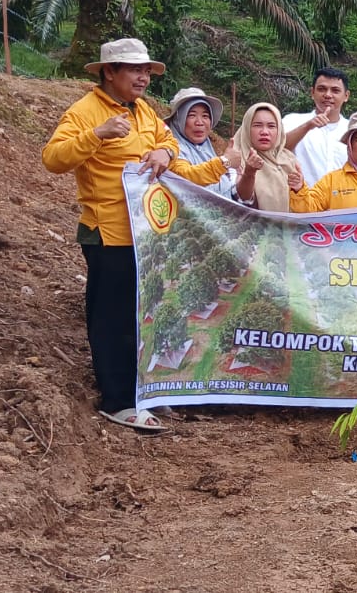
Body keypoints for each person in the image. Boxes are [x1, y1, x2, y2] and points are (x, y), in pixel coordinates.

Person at [42, 38, 238, 432]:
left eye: (147, 70)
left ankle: (142, 391)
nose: (144, 77)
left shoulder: (144, 111)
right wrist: (97, 134)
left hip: (147, 234)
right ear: (108, 72)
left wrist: (166, 153)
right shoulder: (85, 112)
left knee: (141, 315)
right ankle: (116, 400)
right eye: (135, 69)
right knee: (112, 318)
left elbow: (165, 141)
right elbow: (53, 159)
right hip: (109, 232)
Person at [282, 67, 351, 184]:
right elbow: (276, 149)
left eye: (335, 90)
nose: (328, 95)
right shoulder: (292, 121)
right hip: (300, 198)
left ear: (346, 96)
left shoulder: (353, 129)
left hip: (344, 200)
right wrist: (308, 126)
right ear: (312, 93)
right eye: (322, 89)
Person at [166, 87, 237, 198]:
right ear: (178, 120)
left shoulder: (208, 150)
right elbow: (185, 177)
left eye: (205, 116)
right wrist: (224, 162)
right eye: (191, 115)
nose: (199, 122)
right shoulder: (171, 149)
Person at [232, 102, 302, 212]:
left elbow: (304, 205)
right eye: (257, 125)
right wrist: (249, 174)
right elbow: (239, 200)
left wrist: (300, 190)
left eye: (271, 126)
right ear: (246, 128)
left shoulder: (289, 160)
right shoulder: (235, 160)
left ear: (279, 131)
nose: (264, 132)